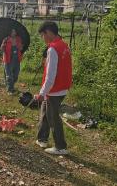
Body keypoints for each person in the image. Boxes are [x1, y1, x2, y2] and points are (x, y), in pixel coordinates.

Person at [34, 21, 72, 155]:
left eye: (42, 35)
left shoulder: (53, 49)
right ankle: (42, 139)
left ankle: (60, 147)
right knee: (45, 111)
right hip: (62, 86)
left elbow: (50, 76)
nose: (42, 38)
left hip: (55, 89)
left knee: (53, 118)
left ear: (48, 33)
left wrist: (42, 93)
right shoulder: (64, 45)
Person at [0, 28, 23, 95]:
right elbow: (1, 49)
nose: (14, 33)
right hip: (8, 59)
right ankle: (10, 90)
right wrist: (3, 45)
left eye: (15, 31)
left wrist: (21, 47)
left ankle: (10, 86)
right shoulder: (6, 39)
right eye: (12, 31)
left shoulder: (18, 39)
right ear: (10, 32)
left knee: (16, 75)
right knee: (9, 76)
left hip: (17, 59)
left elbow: (21, 48)